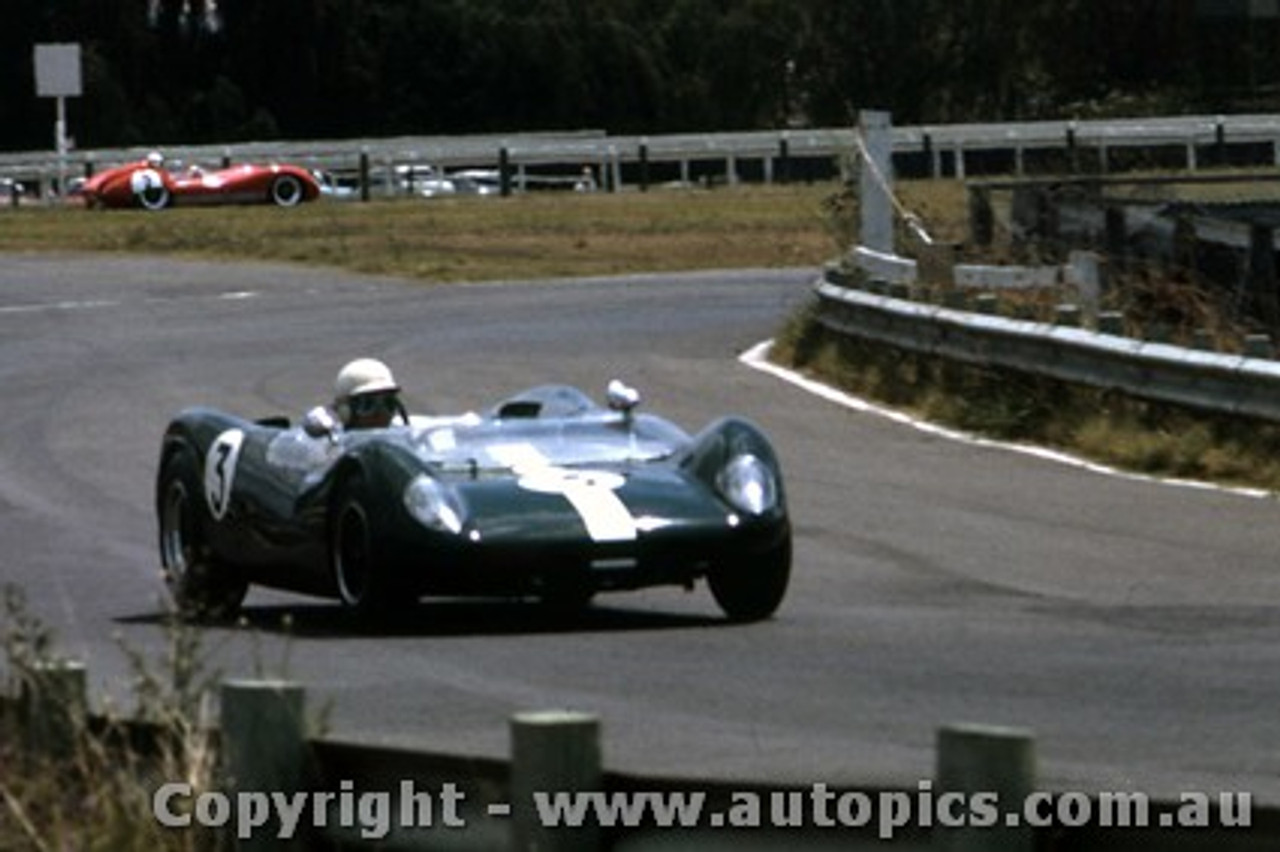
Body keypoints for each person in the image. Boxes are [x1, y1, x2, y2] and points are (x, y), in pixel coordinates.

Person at [333, 357, 404, 429]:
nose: (381, 414)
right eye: (367, 404)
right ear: (345, 412)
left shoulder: (407, 437)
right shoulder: (331, 439)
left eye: (389, 403)